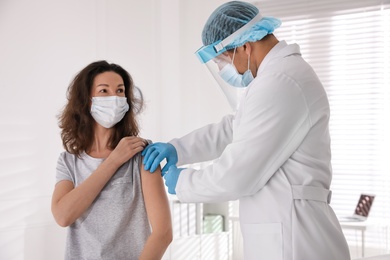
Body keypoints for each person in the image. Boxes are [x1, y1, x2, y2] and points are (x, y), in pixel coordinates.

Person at [142, 1, 350, 260]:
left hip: (296, 240)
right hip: (286, 231)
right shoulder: (275, 78)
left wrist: (184, 182)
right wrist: (178, 148)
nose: (223, 69)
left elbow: (238, 174)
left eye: (223, 59)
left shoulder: (281, 82)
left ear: (244, 46)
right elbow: (234, 127)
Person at [51, 60, 172, 259]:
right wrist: (113, 161)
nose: (114, 98)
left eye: (120, 90)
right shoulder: (68, 161)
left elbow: (163, 233)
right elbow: (63, 216)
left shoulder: (141, 153)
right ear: (86, 100)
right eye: (104, 91)